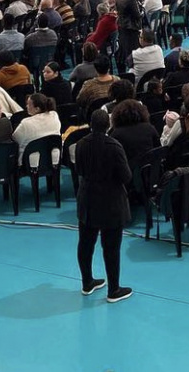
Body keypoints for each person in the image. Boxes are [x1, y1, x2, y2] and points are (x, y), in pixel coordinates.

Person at [75, 109, 133, 303]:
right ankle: (113, 289)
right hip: (111, 202)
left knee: (85, 243)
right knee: (111, 248)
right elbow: (126, 176)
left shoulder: (81, 144)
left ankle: (87, 282)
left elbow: (79, 170)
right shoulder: (114, 146)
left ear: (90, 125)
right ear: (108, 125)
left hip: (87, 200)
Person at [13, 92, 62, 167]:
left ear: (37, 109)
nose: (26, 106)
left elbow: (15, 140)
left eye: (28, 104)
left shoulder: (26, 123)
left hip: (29, 163)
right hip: (53, 160)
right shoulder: (54, 116)